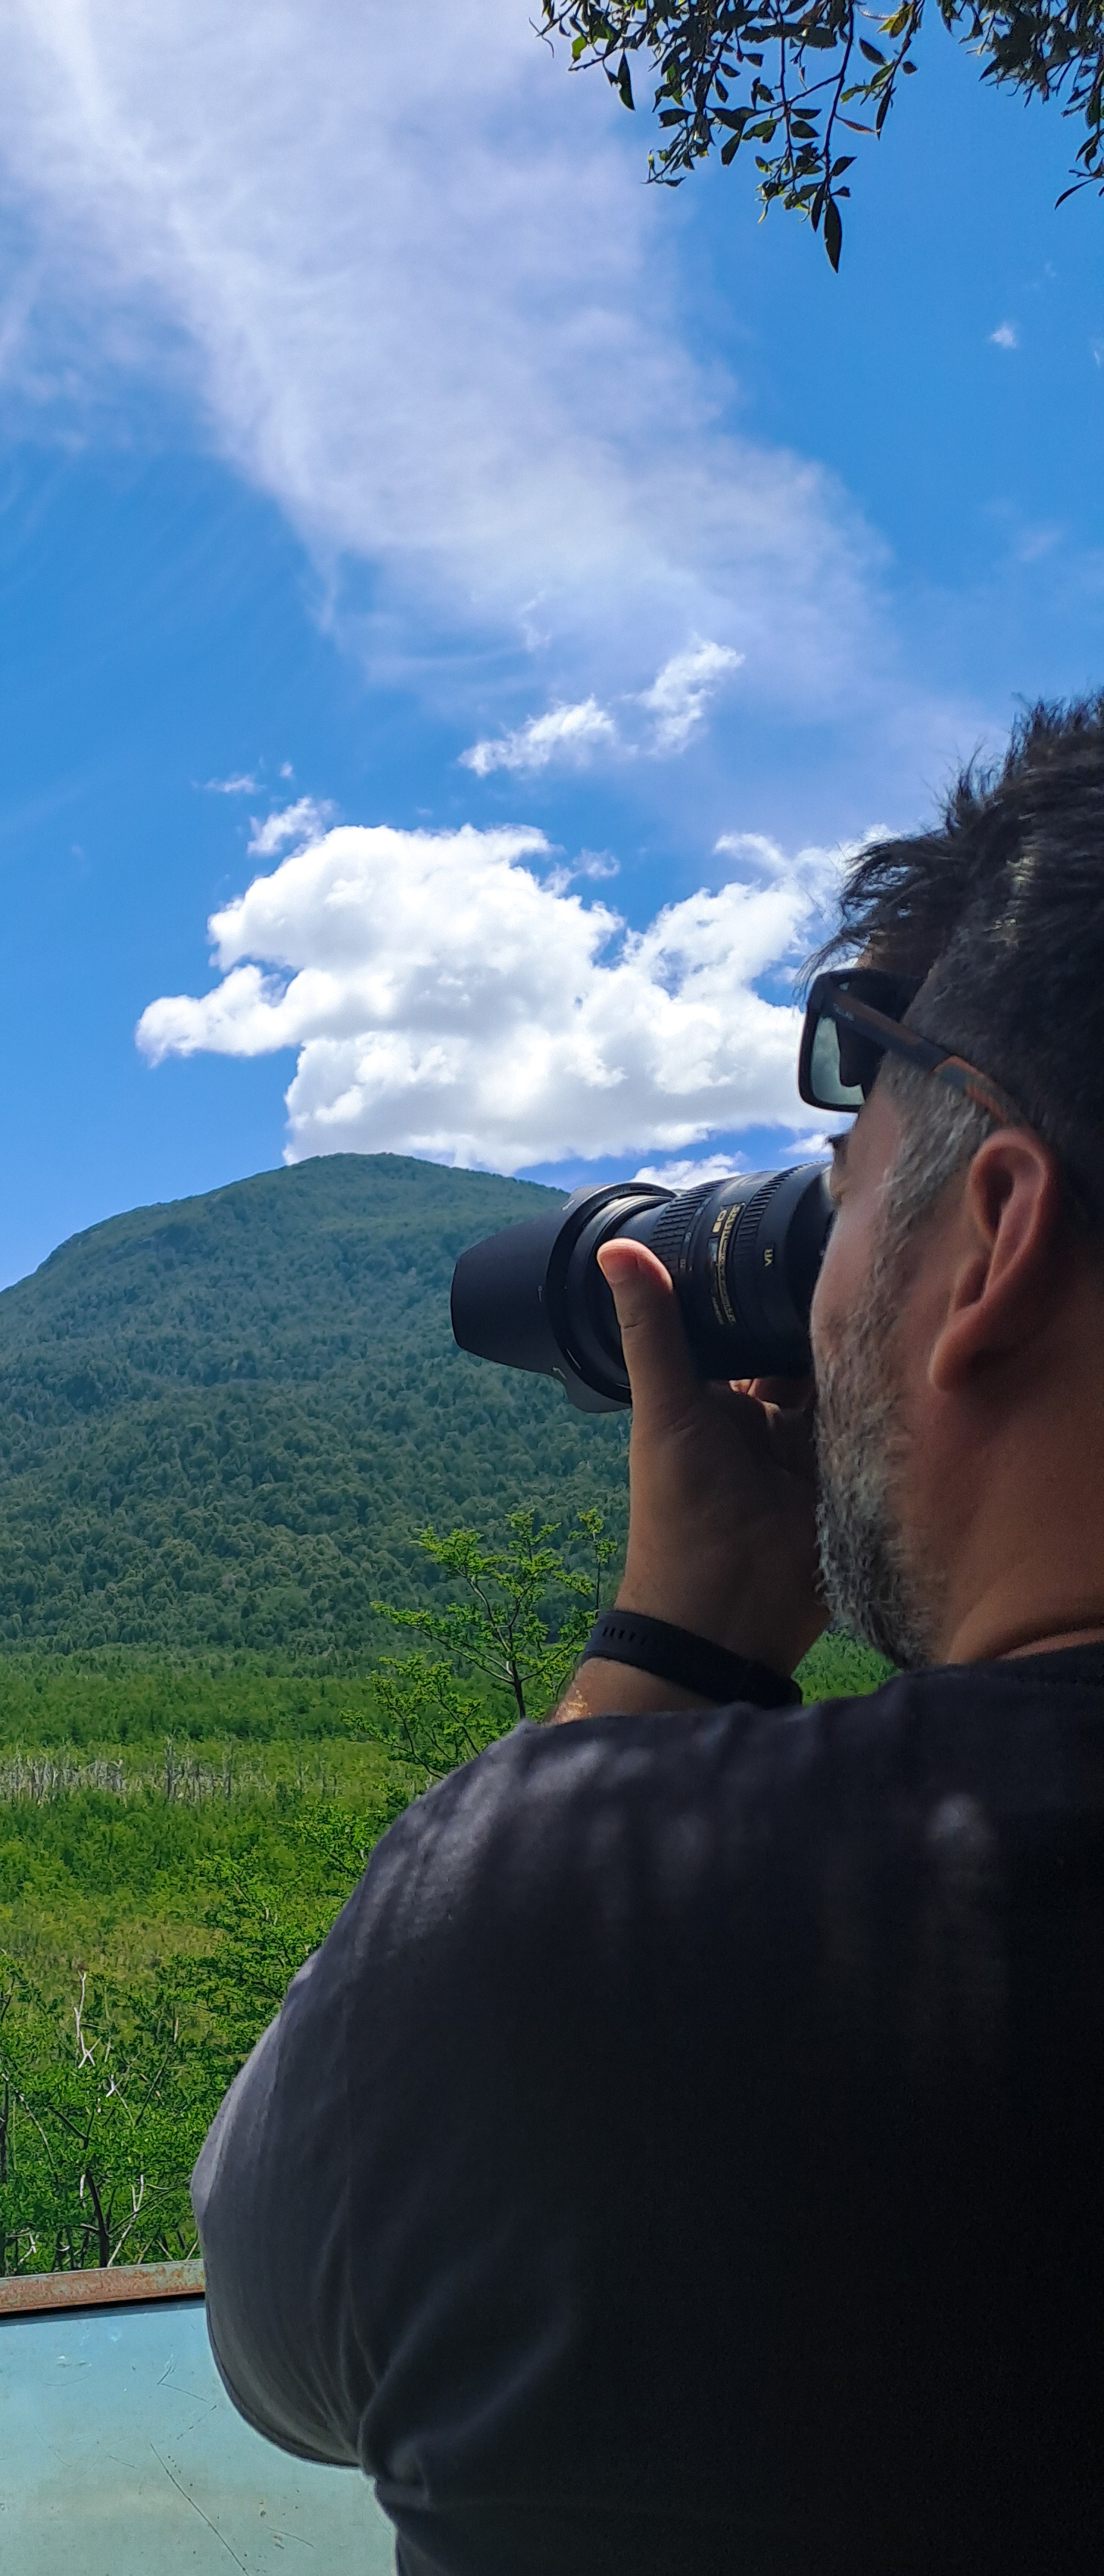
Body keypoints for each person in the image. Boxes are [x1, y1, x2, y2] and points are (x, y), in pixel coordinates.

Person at [192, 694, 1104, 2575]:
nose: (810, 1281)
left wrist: (669, 1662)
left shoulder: (562, 1930)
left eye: (842, 1203)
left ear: (995, 1238)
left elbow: (276, 2333)